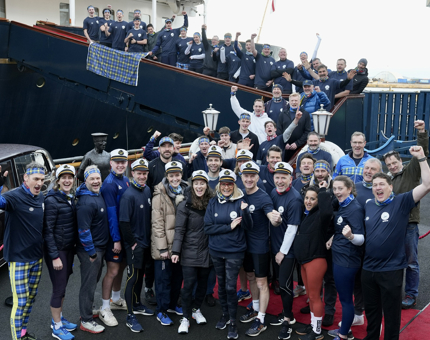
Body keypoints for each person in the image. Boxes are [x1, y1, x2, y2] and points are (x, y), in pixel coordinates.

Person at [362, 145, 430, 340]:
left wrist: (422, 158)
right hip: (368, 270)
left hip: (390, 271)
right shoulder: (368, 204)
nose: (378, 188)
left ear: (390, 186)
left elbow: (426, 184)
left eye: (382, 184)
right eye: (375, 185)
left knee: (391, 316)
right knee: (372, 313)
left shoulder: (401, 202)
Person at [382, 120, 429, 309]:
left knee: (411, 262)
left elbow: (422, 151)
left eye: (395, 162)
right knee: (392, 261)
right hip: (391, 226)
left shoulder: (410, 171)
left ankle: (411, 294)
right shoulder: (387, 180)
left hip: (408, 224)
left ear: (400, 161)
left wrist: (422, 132)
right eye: (389, 164)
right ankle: (392, 291)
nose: (392, 166)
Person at [204, 169, 252, 340]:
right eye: (223, 184)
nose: (226, 187)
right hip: (216, 250)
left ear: (233, 185)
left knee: (231, 287)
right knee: (222, 285)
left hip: (234, 251)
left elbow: (248, 226)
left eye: (229, 184)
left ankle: (233, 321)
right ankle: (225, 314)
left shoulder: (241, 201)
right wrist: (229, 227)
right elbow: (207, 227)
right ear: (219, 185)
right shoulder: (213, 202)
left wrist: (245, 212)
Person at [1, 162, 46, 340]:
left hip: (37, 258)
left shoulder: (41, 197)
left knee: (30, 300)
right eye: (36, 179)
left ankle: (23, 333)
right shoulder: (13, 197)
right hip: (18, 260)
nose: (39, 183)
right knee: (20, 303)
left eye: (42, 179)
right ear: (25, 178)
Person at [239, 162, 282, 336]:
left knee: (261, 282)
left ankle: (261, 319)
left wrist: (275, 218)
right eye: (246, 176)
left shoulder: (263, 197)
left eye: (252, 176)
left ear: (257, 177)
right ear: (241, 177)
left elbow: (270, 214)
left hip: (259, 246)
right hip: (244, 245)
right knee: (250, 276)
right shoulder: (239, 194)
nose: (249, 179)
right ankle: (255, 309)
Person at [172, 170, 214, 333]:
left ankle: (197, 309)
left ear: (206, 184)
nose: (199, 186)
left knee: (203, 284)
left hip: (207, 251)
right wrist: (176, 251)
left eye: (202, 183)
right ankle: (185, 317)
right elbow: (179, 230)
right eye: (196, 183)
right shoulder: (184, 204)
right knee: (188, 286)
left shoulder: (212, 202)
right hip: (189, 251)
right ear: (192, 184)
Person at [98, 149, 135, 327]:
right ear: (110, 162)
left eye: (123, 161)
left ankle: (116, 298)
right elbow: (112, 214)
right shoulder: (109, 184)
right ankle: (105, 307)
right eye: (117, 161)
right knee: (112, 271)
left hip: (124, 233)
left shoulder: (126, 180)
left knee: (121, 267)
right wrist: (116, 239)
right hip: (115, 236)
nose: (120, 164)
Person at [325, 176, 365, 340]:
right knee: (345, 298)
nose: (337, 192)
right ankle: (345, 330)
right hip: (341, 258)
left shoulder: (354, 208)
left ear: (349, 189)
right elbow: (342, 227)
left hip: (347, 261)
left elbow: (360, 238)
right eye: (335, 188)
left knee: (346, 300)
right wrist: (335, 237)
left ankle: (343, 335)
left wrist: (349, 237)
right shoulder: (343, 204)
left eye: (340, 188)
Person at [294, 184, 333, 340]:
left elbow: (328, 210)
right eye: (307, 198)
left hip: (316, 261)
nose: (308, 201)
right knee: (310, 295)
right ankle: (313, 324)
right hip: (304, 261)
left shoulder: (321, 216)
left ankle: (317, 332)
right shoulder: (307, 214)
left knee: (315, 296)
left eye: (313, 199)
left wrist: (323, 191)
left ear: (319, 200)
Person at [269, 162, 303, 340]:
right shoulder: (274, 192)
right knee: (281, 284)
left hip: (287, 250)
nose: (280, 180)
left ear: (291, 178)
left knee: (285, 284)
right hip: (275, 246)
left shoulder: (295, 199)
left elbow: (293, 228)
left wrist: (282, 252)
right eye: (277, 177)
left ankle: (289, 318)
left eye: (284, 177)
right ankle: (285, 312)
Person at [44, 164, 78, 340]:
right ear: (57, 180)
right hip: (58, 252)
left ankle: (59, 319)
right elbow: (47, 231)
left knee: (63, 287)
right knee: (58, 288)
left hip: (67, 249)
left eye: (70, 177)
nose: (67, 180)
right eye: (63, 177)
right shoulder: (51, 200)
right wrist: (55, 256)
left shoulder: (69, 198)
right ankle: (56, 327)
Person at [152, 161, 188, 326]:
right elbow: (157, 223)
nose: (175, 178)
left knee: (176, 278)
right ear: (167, 176)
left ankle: (173, 304)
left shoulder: (186, 191)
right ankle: (162, 310)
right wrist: (162, 248)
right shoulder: (160, 195)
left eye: (177, 175)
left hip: (179, 247)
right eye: (172, 175)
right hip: (165, 247)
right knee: (163, 280)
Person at [119, 159, 153, 333]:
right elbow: (124, 222)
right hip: (134, 244)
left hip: (146, 242)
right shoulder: (128, 195)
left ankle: (138, 303)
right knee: (132, 277)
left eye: (144, 173)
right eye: (138, 173)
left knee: (140, 276)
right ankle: (130, 314)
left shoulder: (146, 190)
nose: (142, 176)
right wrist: (132, 243)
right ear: (132, 174)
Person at [76, 165, 109, 334]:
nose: (96, 181)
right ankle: (86, 320)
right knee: (88, 285)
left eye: (97, 178)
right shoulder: (86, 202)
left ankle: (88, 310)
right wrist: (91, 252)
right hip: (91, 250)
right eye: (92, 179)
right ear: (86, 180)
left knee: (93, 281)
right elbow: (83, 230)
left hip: (99, 247)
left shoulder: (96, 193)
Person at [290, 63, 356, 111]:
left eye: (324, 71)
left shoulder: (332, 82)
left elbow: (342, 84)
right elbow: (302, 84)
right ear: (318, 73)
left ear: (327, 72)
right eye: (320, 72)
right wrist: (291, 80)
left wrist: (348, 79)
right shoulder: (315, 82)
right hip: (316, 111)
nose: (322, 73)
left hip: (328, 111)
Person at [276, 93, 311, 161]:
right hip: (284, 148)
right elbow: (279, 130)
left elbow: (307, 131)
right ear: (289, 102)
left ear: (299, 101)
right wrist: (284, 143)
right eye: (292, 100)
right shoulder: (283, 114)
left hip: (299, 148)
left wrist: (297, 143)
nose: (294, 102)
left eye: (296, 100)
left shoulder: (305, 114)